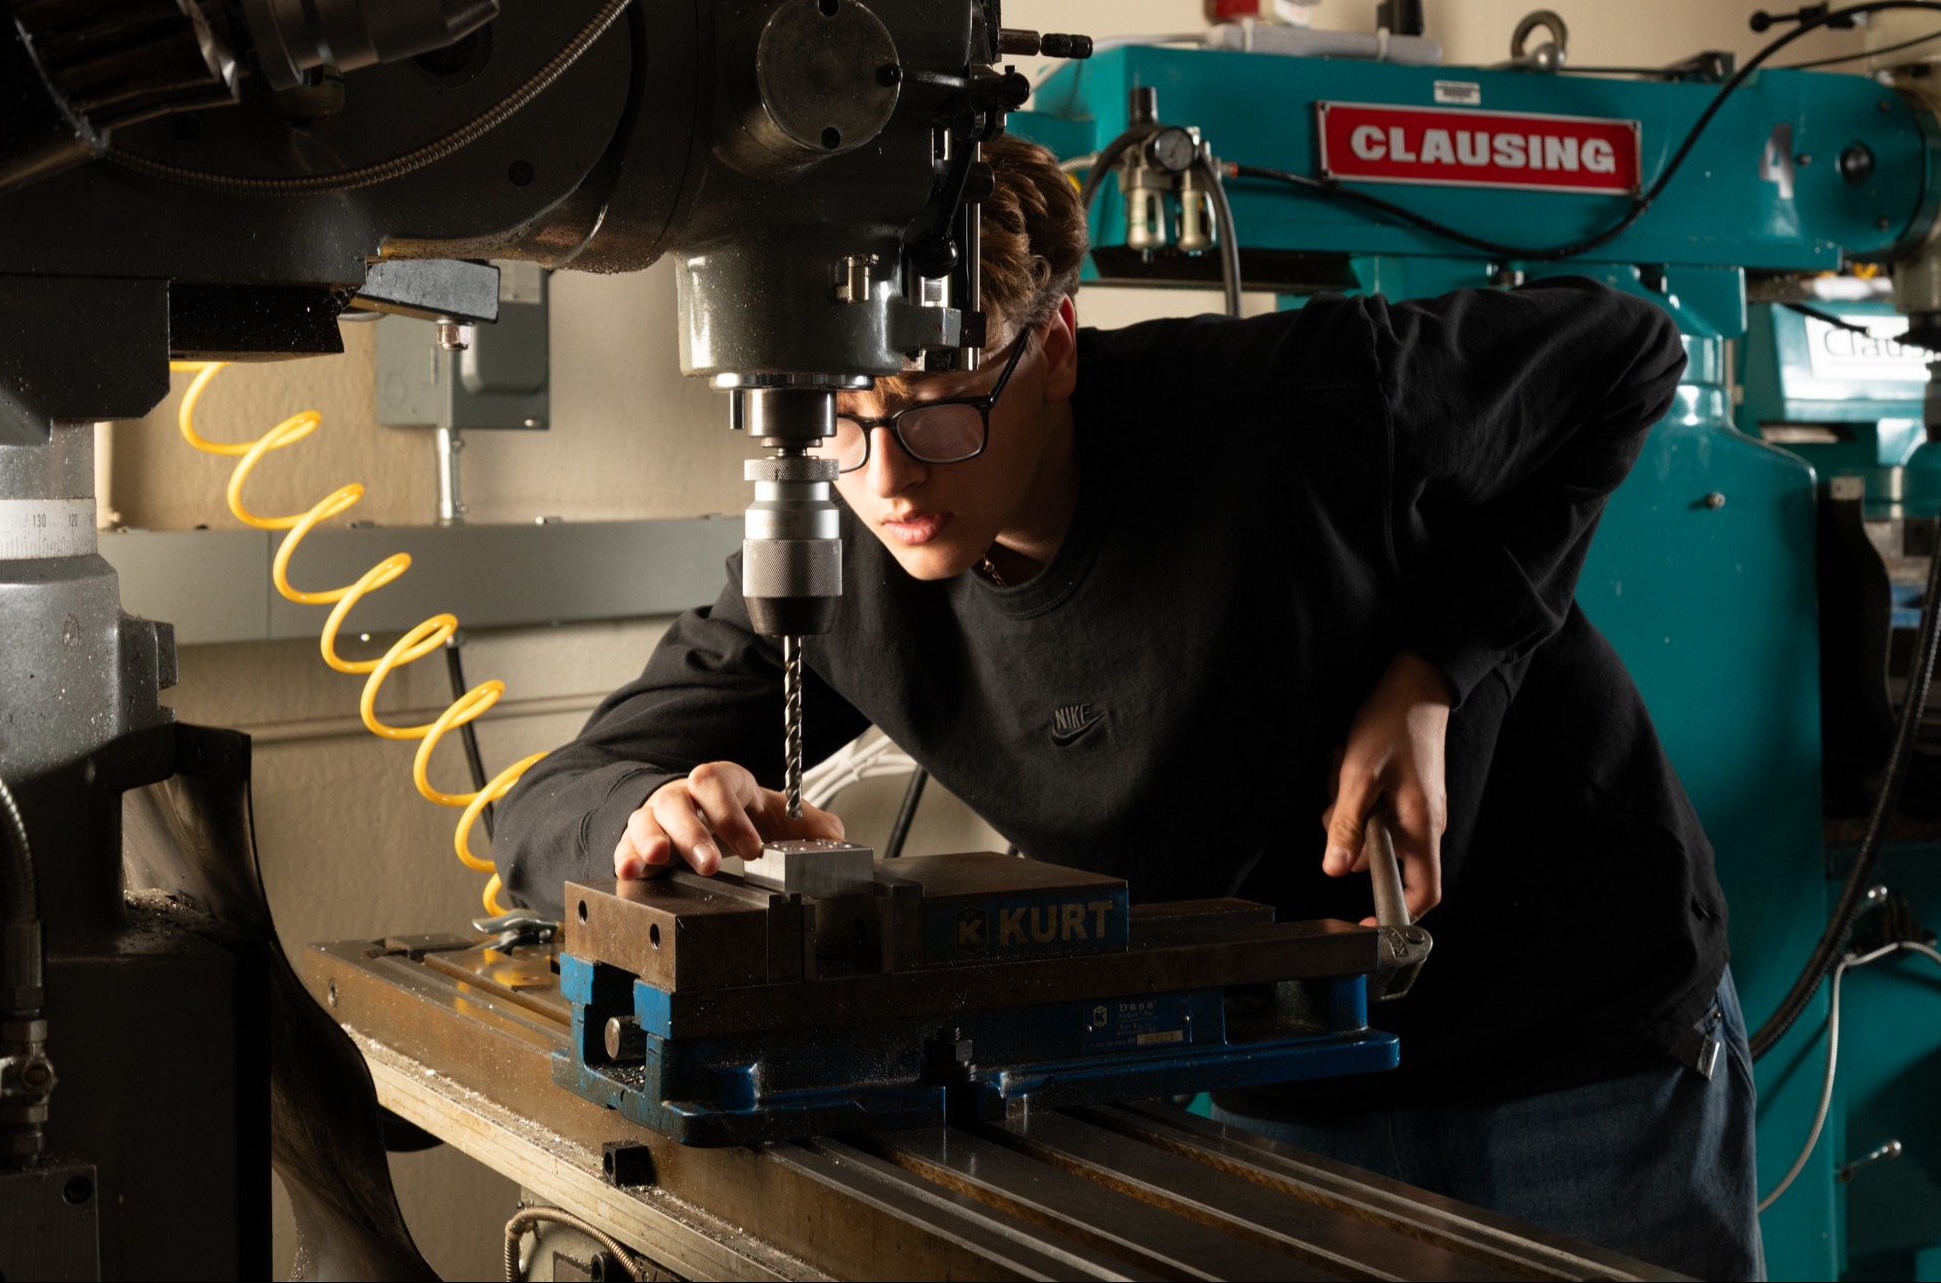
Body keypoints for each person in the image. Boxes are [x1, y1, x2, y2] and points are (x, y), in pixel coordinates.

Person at [497, 135, 1763, 1280]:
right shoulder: (839, 565)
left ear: (1050, 345)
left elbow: (1622, 349)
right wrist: (647, 811)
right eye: (839, 420)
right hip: (1289, 1073)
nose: (885, 478)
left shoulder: (1297, 408)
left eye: (935, 410)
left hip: (1578, 1044)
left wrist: (1436, 671)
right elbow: (549, 804)